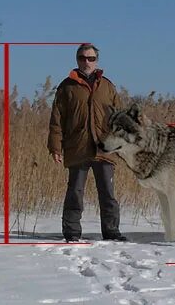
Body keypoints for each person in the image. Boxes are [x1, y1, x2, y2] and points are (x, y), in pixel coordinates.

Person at [48, 43, 128, 242]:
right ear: (77, 60)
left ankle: (111, 232)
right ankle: (71, 232)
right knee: (75, 192)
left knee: (108, 193)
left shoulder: (107, 86)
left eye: (91, 58)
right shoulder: (67, 86)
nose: (87, 62)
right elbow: (57, 119)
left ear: (96, 61)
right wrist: (55, 146)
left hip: (104, 149)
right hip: (78, 147)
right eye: (83, 58)